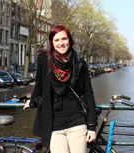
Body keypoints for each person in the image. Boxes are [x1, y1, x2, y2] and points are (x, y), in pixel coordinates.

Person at [23, 24, 97, 153]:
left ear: (70, 40)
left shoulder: (79, 62)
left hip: (77, 123)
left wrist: (91, 126)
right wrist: (32, 101)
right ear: (52, 42)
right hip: (53, 125)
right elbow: (39, 86)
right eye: (57, 40)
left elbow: (88, 94)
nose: (61, 43)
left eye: (64, 39)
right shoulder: (44, 60)